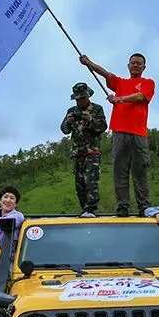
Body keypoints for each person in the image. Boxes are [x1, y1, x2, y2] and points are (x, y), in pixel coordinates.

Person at [79, 52, 155, 216]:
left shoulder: (148, 83)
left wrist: (119, 99)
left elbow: (140, 97)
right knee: (119, 171)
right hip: (119, 132)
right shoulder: (120, 82)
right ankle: (123, 206)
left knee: (139, 170)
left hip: (138, 133)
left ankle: (144, 206)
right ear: (128, 66)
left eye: (139, 63)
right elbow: (105, 73)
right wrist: (89, 62)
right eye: (133, 63)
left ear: (144, 67)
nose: (135, 65)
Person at [60, 81, 108, 217]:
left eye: (83, 98)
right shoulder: (71, 111)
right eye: (78, 99)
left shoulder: (97, 109)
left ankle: (91, 208)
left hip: (92, 152)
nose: (81, 101)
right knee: (79, 184)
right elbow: (64, 130)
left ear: (88, 97)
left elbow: (102, 127)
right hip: (77, 153)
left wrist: (91, 120)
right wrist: (68, 122)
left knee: (91, 181)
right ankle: (84, 209)